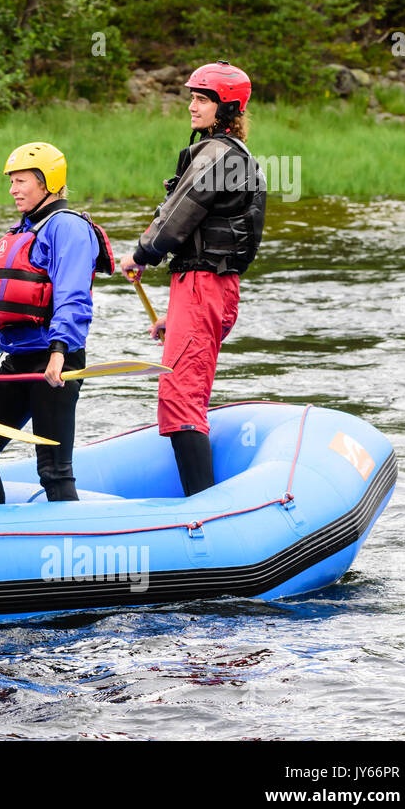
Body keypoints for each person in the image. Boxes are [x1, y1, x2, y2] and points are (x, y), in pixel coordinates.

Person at [120, 60, 267, 496]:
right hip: (209, 291)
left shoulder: (218, 154)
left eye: (202, 98)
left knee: (180, 397)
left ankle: (201, 508)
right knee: (186, 388)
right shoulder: (233, 156)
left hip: (204, 288)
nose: (192, 105)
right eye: (192, 96)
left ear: (226, 108)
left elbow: (178, 217)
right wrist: (176, 317)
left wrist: (140, 255)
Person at [0, 143, 112, 504]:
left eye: (21, 181)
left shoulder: (67, 228)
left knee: (53, 470)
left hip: (55, 361)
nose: (13, 190)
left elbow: (72, 295)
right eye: (12, 181)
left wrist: (59, 351)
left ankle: (70, 548)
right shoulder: (18, 235)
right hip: (18, 361)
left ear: (48, 182)